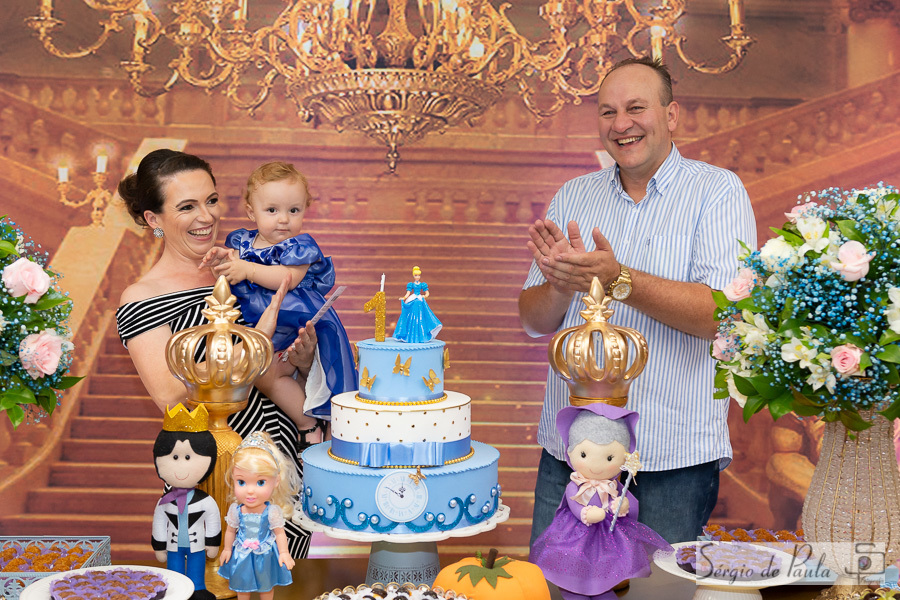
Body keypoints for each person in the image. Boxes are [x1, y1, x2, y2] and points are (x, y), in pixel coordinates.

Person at [519, 57, 757, 546]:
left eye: (635, 108)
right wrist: (563, 282)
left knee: (659, 594)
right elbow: (532, 319)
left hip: (671, 454)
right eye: (607, 112)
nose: (621, 124)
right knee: (557, 591)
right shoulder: (573, 195)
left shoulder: (716, 191)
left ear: (670, 116)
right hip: (574, 453)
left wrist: (618, 278)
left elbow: (724, 316)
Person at [115, 148, 318, 558]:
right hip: (213, 470)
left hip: (284, 457)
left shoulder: (245, 263)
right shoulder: (142, 297)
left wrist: (302, 361)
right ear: (153, 219)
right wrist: (249, 346)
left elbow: (276, 364)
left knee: (277, 580)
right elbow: (171, 397)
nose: (206, 217)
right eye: (187, 206)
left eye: (210, 200)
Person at [200, 161, 357, 443]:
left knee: (275, 370)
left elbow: (288, 278)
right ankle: (307, 423)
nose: (283, 219)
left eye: (293, 210)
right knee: (265, 373)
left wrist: (248, 270)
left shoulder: (299, 248)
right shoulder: (241, 243)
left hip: (294, 318)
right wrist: (221, 266)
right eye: (272, 210)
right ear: (251, 211)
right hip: (262, 326)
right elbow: (231, 280)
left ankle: (322, 432)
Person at [529, 403, 671, 600]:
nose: (596, 466)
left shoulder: (614, 486)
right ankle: (573, 590)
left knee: (604, 564)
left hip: (607, 535)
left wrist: (622, 507)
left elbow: (628, 503)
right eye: (584, 455)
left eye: (610, 457)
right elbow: (573, 505)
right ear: (570, 453)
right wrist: (585, 513)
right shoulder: (575, 485)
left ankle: (602, 590)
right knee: (576, 563)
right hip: (575, 534)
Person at [152, 403, 221, 600]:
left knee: (196, 570)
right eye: (174, 457)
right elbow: (159, 523)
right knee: (173, 572)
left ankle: (197, 589)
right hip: (173, 546)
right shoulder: (164, 502)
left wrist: (212, 543)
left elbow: (213, 520)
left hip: (197, 545)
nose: (180, 467)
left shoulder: (205, 501)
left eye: (189, 457)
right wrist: (159, 546)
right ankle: (175, 590)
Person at [218, 431, 299, 600]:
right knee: (242, 587)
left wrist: (284, 552)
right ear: (233, 478)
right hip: (241, 553)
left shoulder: (271, 512)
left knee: (266, 586)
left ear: (276, 481)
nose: (250, 490)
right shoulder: (236, 510)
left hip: (265, 553)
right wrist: (226, 549)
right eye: (241, 482)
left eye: (260, 482)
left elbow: (279, 533)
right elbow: (231, 531)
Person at [393, 265, 442, 343]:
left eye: (418, 275)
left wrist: (424, 296)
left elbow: (427, 293)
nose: (417, 277)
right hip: (413, 300)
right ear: (413, 276)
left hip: (419, 300)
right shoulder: (411, 284)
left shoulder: (422, 284)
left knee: (421, 317)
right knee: (411, 316)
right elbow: (408, 293)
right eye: (416, 275)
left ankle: (421, 335)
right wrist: (404, 298)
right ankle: (409, 335)